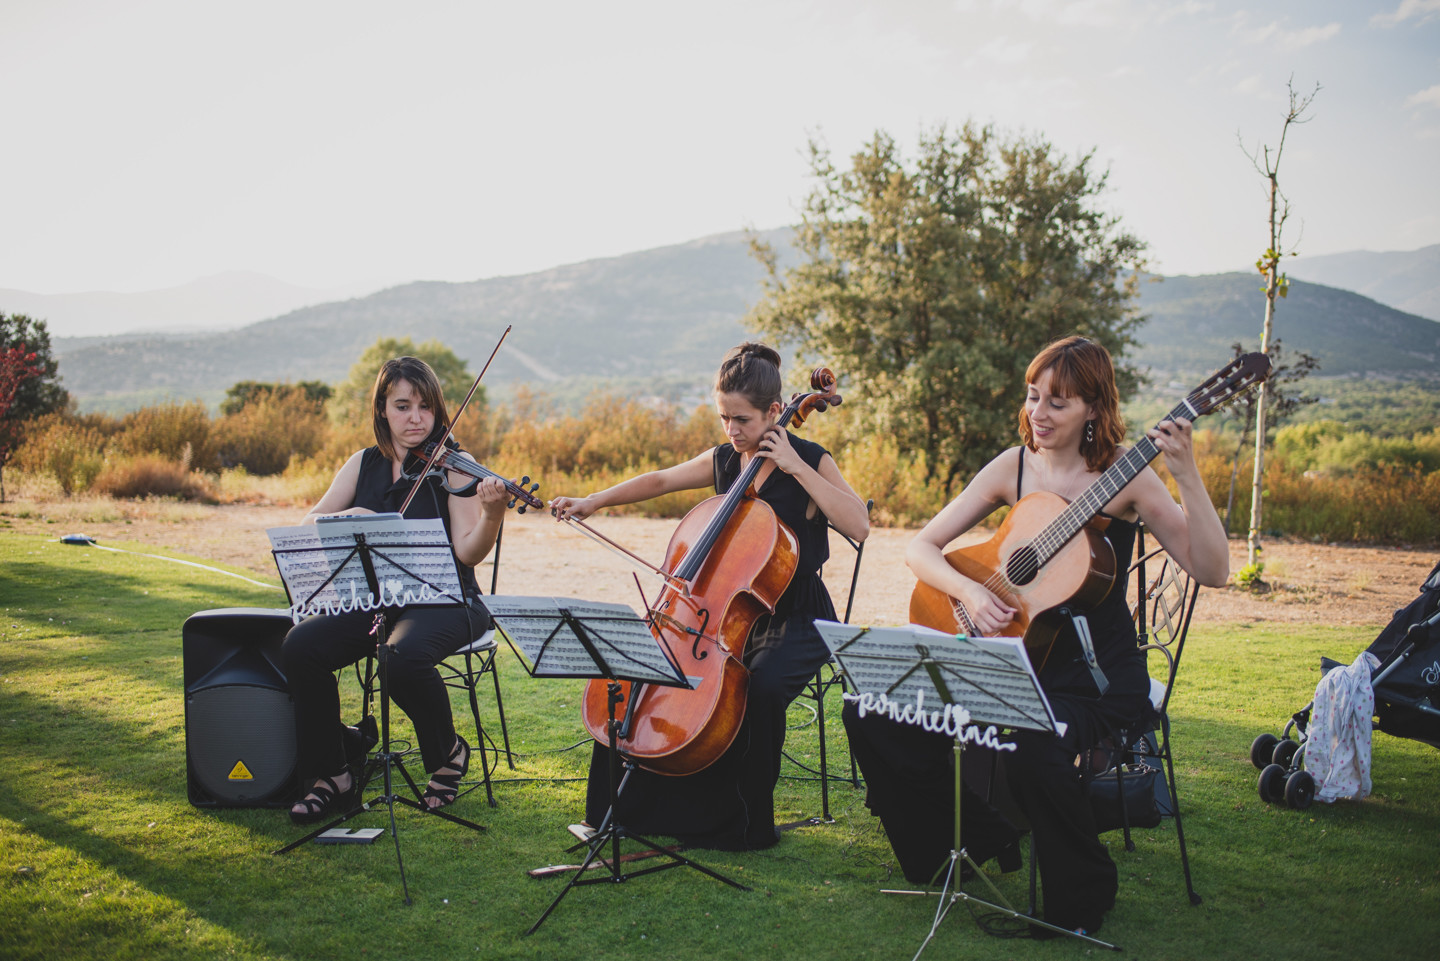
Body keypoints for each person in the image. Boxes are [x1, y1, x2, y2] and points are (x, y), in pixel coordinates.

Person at [843, 335, 1229, 935]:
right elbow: (921, 548)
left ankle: (1082, 898)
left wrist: (1188, 476)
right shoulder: (1012, 467)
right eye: (1032, 397)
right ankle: (975, 836)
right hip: (1006, 661)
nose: (1038, 414)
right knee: (867, 708)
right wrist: (971, 591)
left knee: (1031, 738)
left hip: (1094, 680)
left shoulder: (1126, 478)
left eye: (1058, 402)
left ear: (1094, 410)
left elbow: (1213, 571)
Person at [548, 342, 870, 850]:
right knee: (638, 667)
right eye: (723, 418)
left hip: (797, 618)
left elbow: (860, 524)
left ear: (773, 411)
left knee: (757, 690)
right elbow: (659, 480)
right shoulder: (725, 460)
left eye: (741, 419)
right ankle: (623, 810)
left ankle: (741, 824)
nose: (732, 431)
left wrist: (795, 466)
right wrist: (594, 501)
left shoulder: (810, 459)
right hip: (715, 618)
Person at [281, 356, 509, 824]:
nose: (416, 418)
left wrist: (491, 515)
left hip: (447, 600)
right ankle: (332, 774)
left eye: (425, 408)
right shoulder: (362, 463)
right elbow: (308, 523)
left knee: (399, 656)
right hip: (378, 599)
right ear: (382, 409)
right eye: (402, 406)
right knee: (300, 646)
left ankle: (448, 753)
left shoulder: (455, 468)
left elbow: (468, 552)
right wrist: (351, 519)